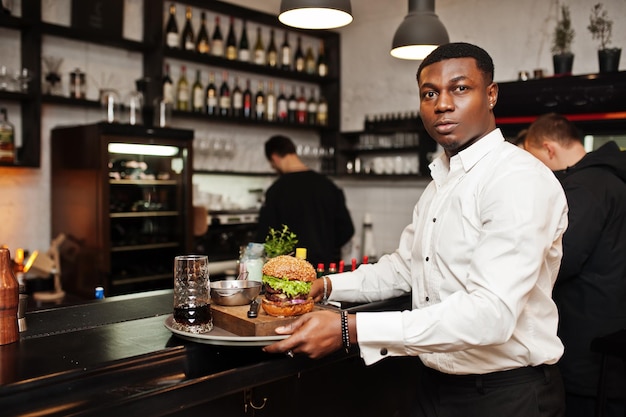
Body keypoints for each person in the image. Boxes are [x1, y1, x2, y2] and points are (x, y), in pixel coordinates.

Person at [263, 42, 569, 417]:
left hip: (506, 395)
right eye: (429, 93)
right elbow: (404, 267)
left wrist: (350, 328)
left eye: (460, 88)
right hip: (433, 387)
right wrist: (324, 286)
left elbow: (490, 314)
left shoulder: (517, 179)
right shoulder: (439, 184)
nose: (442, 103)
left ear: (491, 95)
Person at [524, 113, 626, 417]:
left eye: (535, 161)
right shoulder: (612, 178)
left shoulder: (583, 187)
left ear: (549, 150)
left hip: (587, 341)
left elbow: (561, 262)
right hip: (613, 326)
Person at [255, 135, 354, 267]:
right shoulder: (328, 185)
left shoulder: (276, 191)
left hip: (290, 274)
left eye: (272, 165)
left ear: (274, 158)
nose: (273, 168)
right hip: (325, 270)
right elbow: (346, 230)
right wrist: (325, 247)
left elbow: (264, 237)